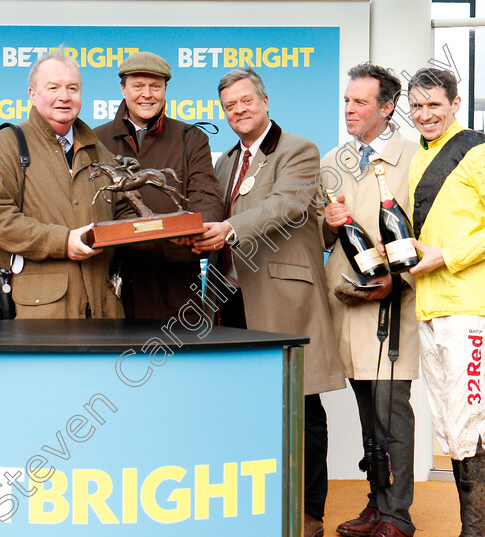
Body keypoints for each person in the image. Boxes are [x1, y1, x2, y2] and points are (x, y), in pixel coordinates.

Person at [191, 68, 345, 537]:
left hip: (283, 297)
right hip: (230, 299)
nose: (238, 110)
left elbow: (288, 205)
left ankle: (309, 511)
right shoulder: (223, 162)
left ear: (264, 101)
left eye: (245, 101)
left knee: (303, 405)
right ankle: (258, 502)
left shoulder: (298, 150)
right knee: (247, 405)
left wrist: (231, 230)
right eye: (229, 105)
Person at [406, 67, 485, 537]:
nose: (425, 115)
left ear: (455, 104)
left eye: (435, 105)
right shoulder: (421, 156)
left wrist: (450, 256)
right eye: (417, 106)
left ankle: (477, 532)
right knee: (450, 427)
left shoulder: (479, 152)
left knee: (468, 422)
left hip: (471, 307)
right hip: (430, 305)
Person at [321, 64, 419, 537]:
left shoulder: (415, 161)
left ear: (387, 108)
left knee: (391, 414)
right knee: (368, 416)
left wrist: (398, 282)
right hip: (348, 303)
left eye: (360, 102)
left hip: (392, 310)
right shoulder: (332, 160)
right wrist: (329, 221)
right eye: (346, 101)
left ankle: (397, 515)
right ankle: (376, 505)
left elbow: (427, 238)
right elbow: (323, 237)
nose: (349, 110)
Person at [0, 49, 134, 319]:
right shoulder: (6, 147)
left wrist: (169, 233)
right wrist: (62, 241)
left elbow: (125, 213)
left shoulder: (100, 153)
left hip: (103, 312)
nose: (64, 96)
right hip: (41, 317)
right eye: (53, 88)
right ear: (33, 95)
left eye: (73, 88)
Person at [93, 51, 223, 321]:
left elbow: (206, 196)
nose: (147, 94)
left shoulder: (191, 138)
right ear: (123, 88)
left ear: (165, 89)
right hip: (115, 277)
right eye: (138, 86)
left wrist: (196, 230)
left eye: (155, 86)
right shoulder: (96, 139)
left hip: (174, 283)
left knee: (178, 361)